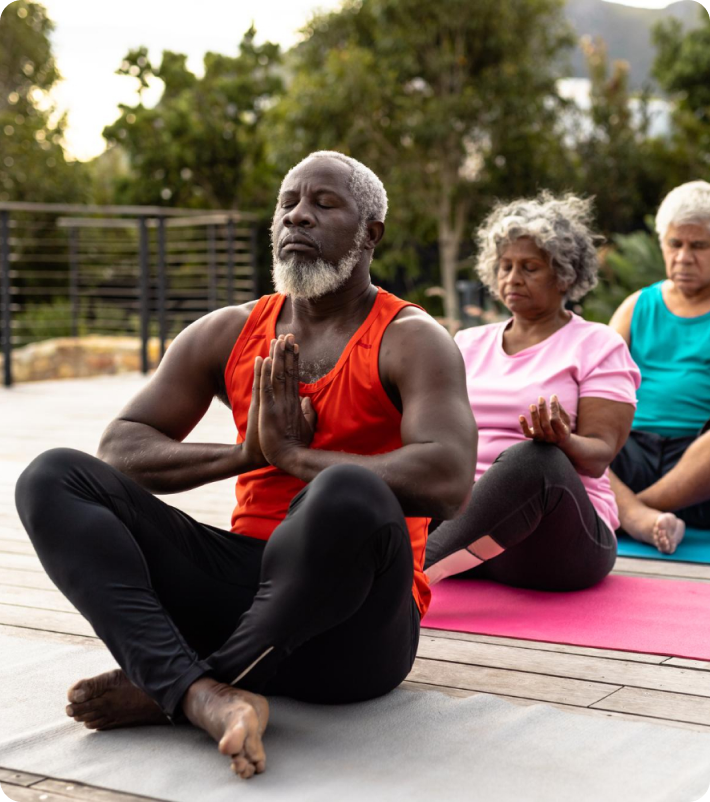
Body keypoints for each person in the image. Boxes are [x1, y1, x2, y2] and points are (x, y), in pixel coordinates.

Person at [15, 151, 476, 779]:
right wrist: (245, 455)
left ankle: (173, 685)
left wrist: (296, 457)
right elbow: (121, 447)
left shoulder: (411, 338)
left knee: (346, 490)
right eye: (287, 203)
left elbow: (448, 480)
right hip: (247, 593)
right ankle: (204, 695)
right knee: (51, 476)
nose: (298, 217)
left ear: (371, 234)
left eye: (324, 203)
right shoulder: (227, 331)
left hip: (357, 632)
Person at [425, 193, 640, 591]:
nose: (512, 278)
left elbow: (599, 457)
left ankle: (412, 574)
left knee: (535, 459)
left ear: (564, 275)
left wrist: (564, 441)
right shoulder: (468, 343)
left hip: (554, 545)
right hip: (465, 530)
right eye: (505, 266)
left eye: (530, 267)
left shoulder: (598, 345)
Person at [608, 180, 710, 554]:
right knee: (557, 435)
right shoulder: (638, 304)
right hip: (629, 452)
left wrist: (628, 503)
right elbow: (590, 380)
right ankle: (636, 514)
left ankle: (630, 512)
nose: (683, 256)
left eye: (698, 245)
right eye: (675, 244)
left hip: (698, 468)